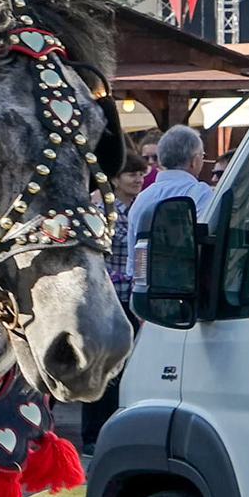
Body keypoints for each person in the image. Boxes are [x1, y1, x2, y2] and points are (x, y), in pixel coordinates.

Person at [81, 158, 149, 449]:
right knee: (103, 368)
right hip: (107, 301)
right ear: (115, 179)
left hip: (132, 301)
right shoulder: (100, 213)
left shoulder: (141, 208)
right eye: (131, 174)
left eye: (140, 174)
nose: (137, 179)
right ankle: (93, 435)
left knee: (129, 371)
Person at [123, 123, 217, 250]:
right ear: (194, 161)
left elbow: (133, 257)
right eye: (202, 155)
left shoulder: (142, 197)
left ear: (161, 160)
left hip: (146, 269)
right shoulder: (201, 193)